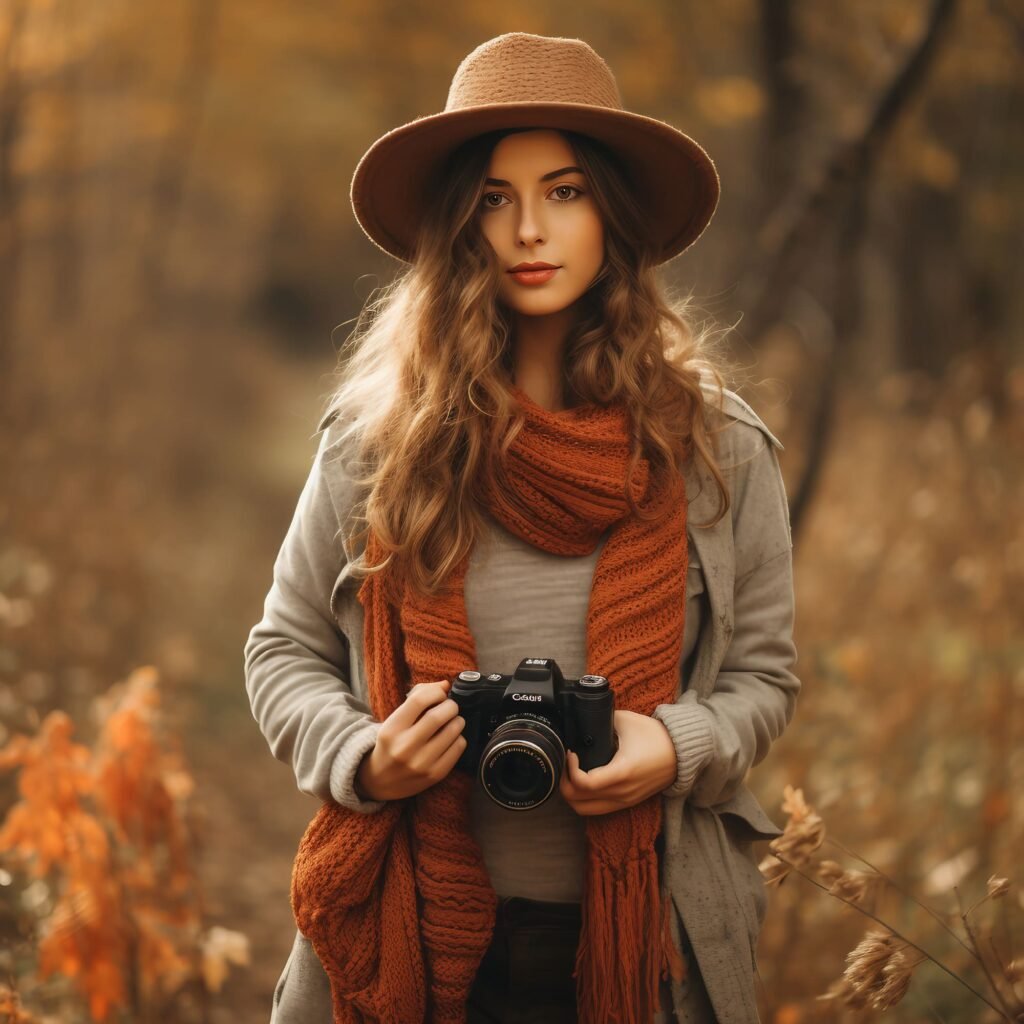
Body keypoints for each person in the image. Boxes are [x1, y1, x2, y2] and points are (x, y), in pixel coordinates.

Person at [244, 31, 799, 1024]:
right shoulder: (377, 445)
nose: (528, 231)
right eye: (494, 198)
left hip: (648, 945)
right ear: (458, 222)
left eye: (566, 191)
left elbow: (764, 678)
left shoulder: (717, 449)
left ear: (613, 216)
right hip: (410, 932)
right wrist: (363, 757)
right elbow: (280, 651)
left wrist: (673, 743)